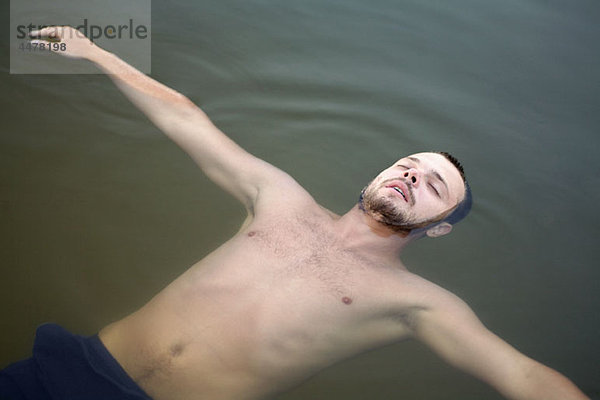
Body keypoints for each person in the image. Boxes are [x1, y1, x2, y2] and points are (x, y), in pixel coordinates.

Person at [0, 26, 589, 400]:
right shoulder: (279, 198)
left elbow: (522, 375)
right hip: (68, 368)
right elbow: (187, 119)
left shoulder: (417, 302)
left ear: (437, 227)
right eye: (409, 164)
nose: (412, 174)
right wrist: (94, 51)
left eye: (436, 185)